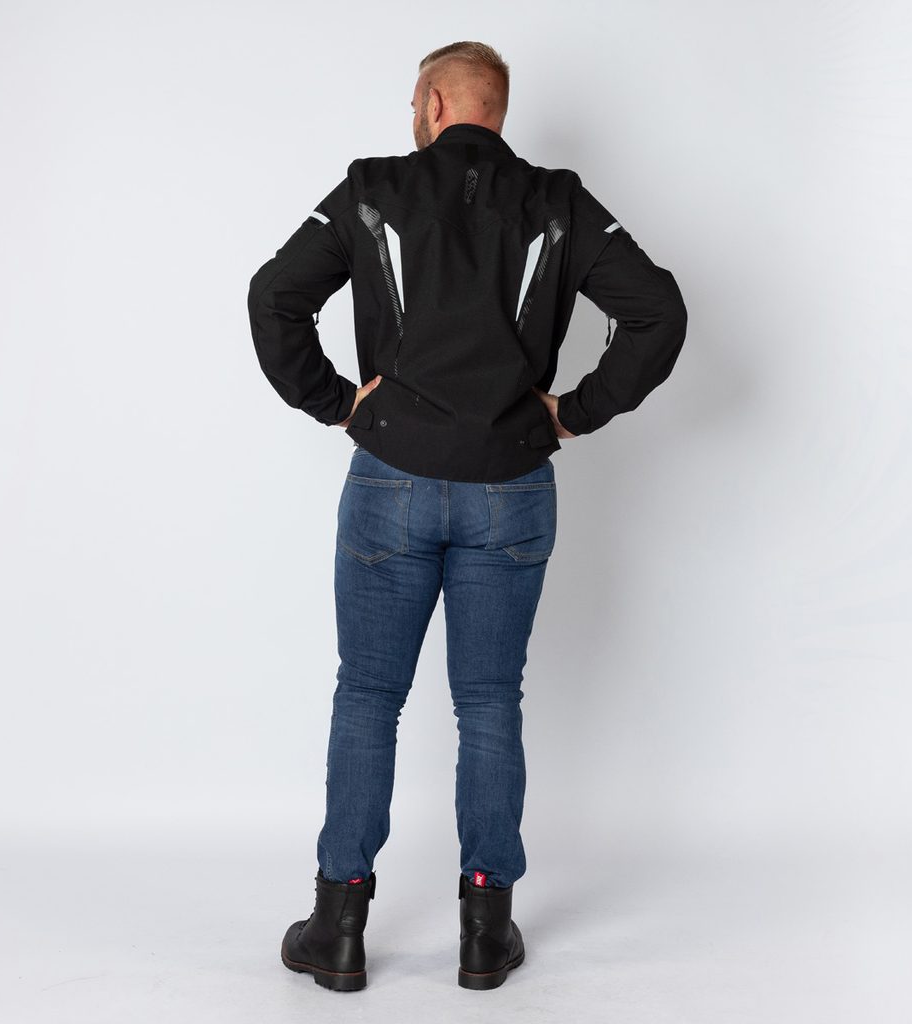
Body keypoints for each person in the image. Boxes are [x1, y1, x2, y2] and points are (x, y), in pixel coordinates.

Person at [247, 40, 688, 992]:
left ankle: (337, 926)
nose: (412, 117)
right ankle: (487, 932)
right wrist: (572, 413)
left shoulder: (374, 189)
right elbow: (658, 311)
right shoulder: (557, 202)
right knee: (489, 702)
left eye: (416, 103)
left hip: (391, 483)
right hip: (511, 488)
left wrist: (340, 405)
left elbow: (273, 296)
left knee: (369, 696)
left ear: (434, 103)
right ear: (497, 110)